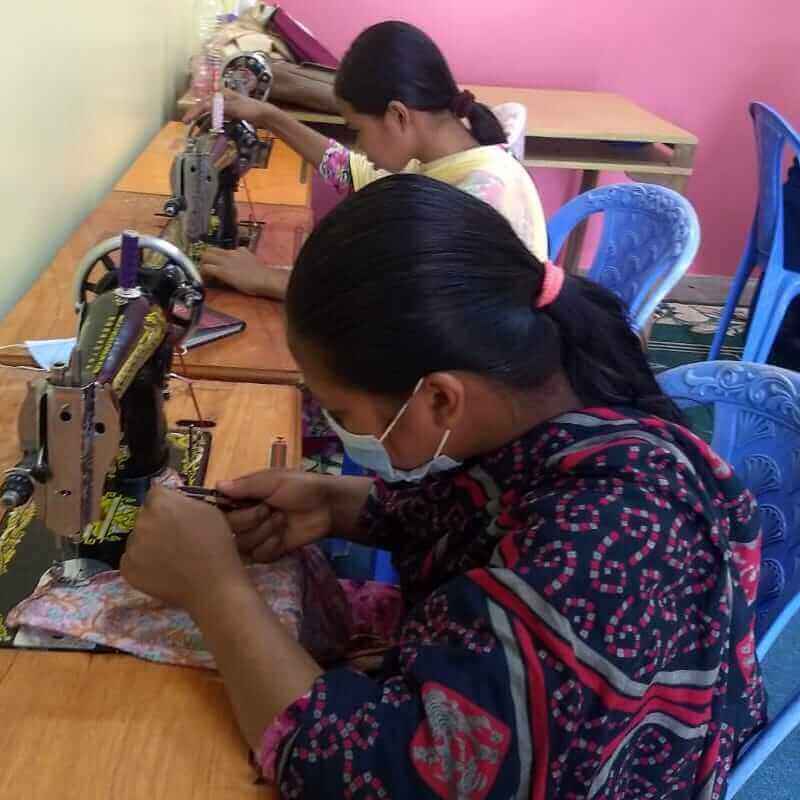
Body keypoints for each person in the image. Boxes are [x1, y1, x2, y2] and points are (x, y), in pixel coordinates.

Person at [123, 175, 765, 799]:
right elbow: (490, 507)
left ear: (438, 398)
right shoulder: (560, 411)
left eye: (342, 415)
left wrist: (216, 589)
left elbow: (380, 773)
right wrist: (338, 504)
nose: (340, 430)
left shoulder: (607, 544)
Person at [189, 20, 547, 300]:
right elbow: (351, 173)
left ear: (398, 116)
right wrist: (268, 116)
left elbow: (392, 300)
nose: (360, 144)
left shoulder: (479, 197)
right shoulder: (444, 158)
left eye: (357, 130)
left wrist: (268, 279)